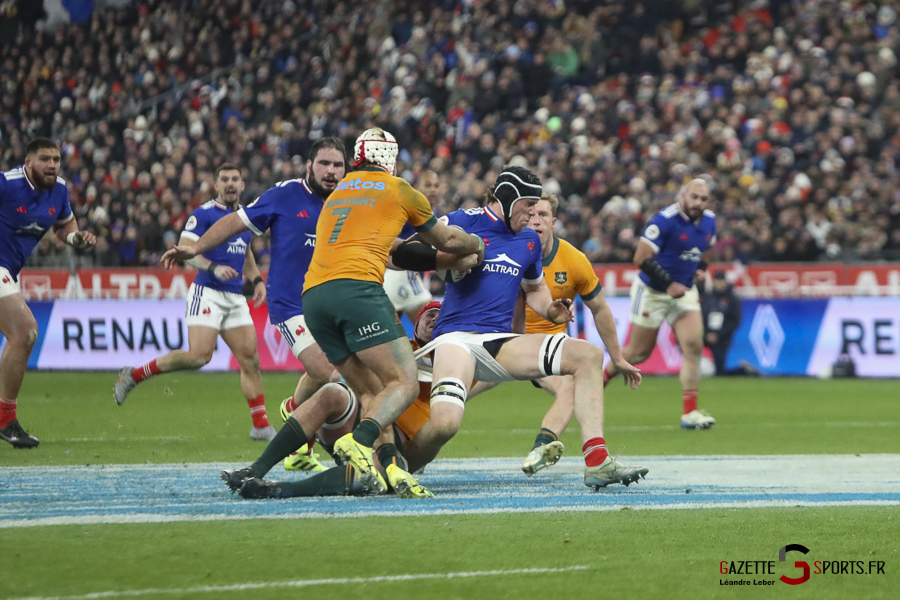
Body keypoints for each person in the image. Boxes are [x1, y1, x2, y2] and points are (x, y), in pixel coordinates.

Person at [401, 166, 647, 490]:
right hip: (456, 339)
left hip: (502, 343)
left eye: (538, 208)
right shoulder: (462, 220)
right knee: (445, 425)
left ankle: (597, 461)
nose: (533, 215)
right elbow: (399, 252)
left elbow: (534, 290)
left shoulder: (528, 242)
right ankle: (399, 467)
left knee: (588, 355)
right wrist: (448, 260)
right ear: (507, 199)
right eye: (528, 205)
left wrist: (550, 308)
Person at [300, 127, 484, 494]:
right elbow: (435, 241)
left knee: (362, 383)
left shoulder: (342, 190)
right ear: (391, 160)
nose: (430, 191)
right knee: (401, 380)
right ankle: (362, 442)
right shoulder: (399, 189)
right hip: (365, 281)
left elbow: (397, 247)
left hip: (318, 287)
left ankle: (280, 448)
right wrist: (477, 245)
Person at [160, 139, 348, 463]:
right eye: (324, 164)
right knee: (331, 374)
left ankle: (294, 415)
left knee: (323, 375)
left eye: (338, 165)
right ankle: (344, 449)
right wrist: (196, 248)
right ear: (309, 166)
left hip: (330, 302)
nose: (331, 172)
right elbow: (236, 222)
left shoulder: (349, 200)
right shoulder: (284, 194)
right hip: (291, 304)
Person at [471, 190, 640, 476]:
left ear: (554, 222)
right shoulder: (504, 252)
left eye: (544, 215)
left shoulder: (573, 260)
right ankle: (409, 446)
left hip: (548, 350)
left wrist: (618, 357)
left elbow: (599, 309)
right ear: (522, 217)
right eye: (532, 214)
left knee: (571, 385)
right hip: (502, 343)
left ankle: (544, 447)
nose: (536, 220)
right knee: (451, 392)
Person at [220, 301, 447, 499]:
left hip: (401, 442)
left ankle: (280, 489)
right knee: (333, 390)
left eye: (440, 316)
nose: (434, 319)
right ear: (415, 323)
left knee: (376, 474)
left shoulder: (455, 359)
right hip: (364, 422)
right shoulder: (397, 347)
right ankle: (254, 470)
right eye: (430, 314)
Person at [115, 163, 275, 441]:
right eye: (224, 179)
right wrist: (213, 268)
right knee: (199, 356)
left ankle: (260, 425)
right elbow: (186, 250)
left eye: (235, 179)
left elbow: (245, 250)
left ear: (242, 185)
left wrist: (257, 279)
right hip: (208, 291)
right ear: (215, 186)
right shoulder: (202, 215)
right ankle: (135, 375)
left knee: (251, 360)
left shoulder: (245, 217)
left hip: (235, 295)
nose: (230, 184)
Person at [0, 138, 97, 448]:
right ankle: (5, 420)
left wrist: (76, 240)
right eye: (45, 159)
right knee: (25, 331)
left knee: (23, 335)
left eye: (56, 159)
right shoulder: (7, 184)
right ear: (28, 162)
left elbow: (64, 228)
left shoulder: (60, 190)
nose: (53, 164)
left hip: (9, 273)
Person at [604, 178, 718, 429]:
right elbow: (640, 257)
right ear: (683, 196)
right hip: (654, 292)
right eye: (694, 197)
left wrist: (701, 269)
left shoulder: (709, 220)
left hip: (683, 291)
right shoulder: (663, 221)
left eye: (703, 199)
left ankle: (690, 412)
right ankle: (597, 381)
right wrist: (668, 284)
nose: (699, 203)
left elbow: (708, 248)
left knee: (693, 345)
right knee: (638, 353)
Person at [382, 170, 442, 323]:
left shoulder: (432, 212)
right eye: (428, 185)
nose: (433, 189)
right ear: (415, 188)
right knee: (432, 325)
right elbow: (386, 239)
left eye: (436, 185)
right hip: (396, 274)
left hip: (410, 276)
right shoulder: (407, 210)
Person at [702, 272, 758, 376]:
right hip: (705, 336)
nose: (719, 283)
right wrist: (706, 333)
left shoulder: (732, 299)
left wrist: (719, 334)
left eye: (721, 281)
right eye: (717, 281)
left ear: (726, 282)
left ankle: (743, 371)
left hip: (722, 338)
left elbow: (734, 321)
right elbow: (701, 317)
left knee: (719, 371)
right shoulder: (708, 297)